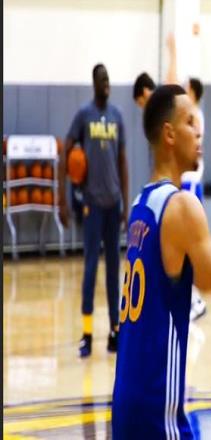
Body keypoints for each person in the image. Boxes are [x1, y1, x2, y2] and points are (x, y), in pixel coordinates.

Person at [112, 84, 211, 439]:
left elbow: (208, 274)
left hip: (127, 402)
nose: (199, 130)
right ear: (169, 135)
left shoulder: (143, 205)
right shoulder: (181, 206)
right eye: (190, 122)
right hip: (156, 410)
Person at [132, 35, 207, 321]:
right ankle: (189, 299)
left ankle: (194, 299)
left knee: (188, 251)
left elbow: (171, 83)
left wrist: (173, 52)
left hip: (189, 183)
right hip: (182, 185)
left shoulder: (185, 115)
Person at [58, 63, 129, 357]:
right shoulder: (84, 116)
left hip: (113, 204)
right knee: (90, 269)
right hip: (92, 204)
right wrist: (63, 200)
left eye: (109, 79)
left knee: (114, 270)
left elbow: (123, 161)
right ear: (94, 83)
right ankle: (87, 333)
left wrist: (125, 203)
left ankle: (114, 330)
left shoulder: (117, 116)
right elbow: (66, 152)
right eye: (102, 79)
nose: (107, 83)